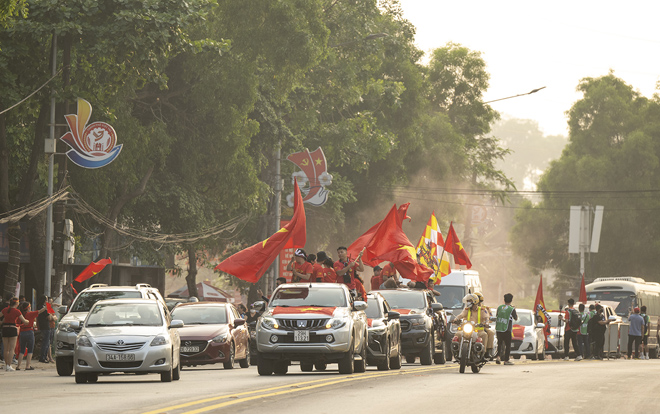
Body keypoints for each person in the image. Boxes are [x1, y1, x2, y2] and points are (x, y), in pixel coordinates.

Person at [452, 294, 490, 360]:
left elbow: (486, 317)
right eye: (467, 301)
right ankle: (457, 351)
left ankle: (483, 353)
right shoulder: (467, 309)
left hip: (478, 330)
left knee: (484, 335)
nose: (467, 302)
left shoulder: (482, 310)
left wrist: (486, 323)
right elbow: (461, 315)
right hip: (467, 329)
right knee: (457, 334)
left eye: (469, 301)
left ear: (474, 301)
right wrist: (455, 319)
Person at [1, 297, 30, 371]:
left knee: (6, 349)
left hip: (5, 329)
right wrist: (28, 321)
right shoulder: (17, 311)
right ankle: (9, 365)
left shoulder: (5, 310)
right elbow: (24, 321)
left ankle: (6, 365)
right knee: (11, 349)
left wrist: (2, 322)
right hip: (12, 329)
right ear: (17, 303)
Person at [495, 293, 518, 365]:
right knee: (508, 345)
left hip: (499, 329)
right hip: (507, 329)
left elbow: (497, 315)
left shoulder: (499, 307)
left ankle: (498, 356)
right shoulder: (511, 309)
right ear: (511, 300)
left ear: (504, 300)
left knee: (500, 344)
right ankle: (506, 360)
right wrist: (514, 309)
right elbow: (516, 318)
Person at [474, 292, 495, 359]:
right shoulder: (469, 309)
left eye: (479, 302)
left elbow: (490, 319)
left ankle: (487, 351)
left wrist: (486, 323)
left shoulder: (485, 308)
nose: (478, 304)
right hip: (471, 327)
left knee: (490, 333)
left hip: (482, 327)